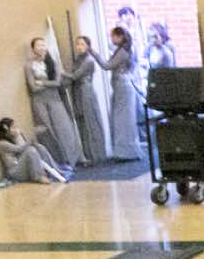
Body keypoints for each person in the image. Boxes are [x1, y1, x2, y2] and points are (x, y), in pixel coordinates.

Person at [24, 37, 82, 169]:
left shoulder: (51, 62)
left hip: (54, 99)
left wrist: (42, 82)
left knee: (63, 127)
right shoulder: (29, 65)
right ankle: (56, 162)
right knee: (47, 131)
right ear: (33, 49)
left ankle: (71, 159)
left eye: (43, 45)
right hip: (39, 101)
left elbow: (57, 83)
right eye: (38, 45)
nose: (42, 48)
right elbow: (33, 87)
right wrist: (45, 85)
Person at [98, 25, 144, 161]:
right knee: (122, 119)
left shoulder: (123, 52)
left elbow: (107, 66)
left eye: (113, 36)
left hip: (123, 86)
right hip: (121, 86)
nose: (111, 39)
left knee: (122, 120)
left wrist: (94, 53)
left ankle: (126, 152)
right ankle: (124, 151)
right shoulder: (122, 50)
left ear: (120, 37)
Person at [63, 35, 110, 163]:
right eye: (78, 44)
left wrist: (61, 73)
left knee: (91, 121)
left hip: (86, 90)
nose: (79, 47)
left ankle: (97, 154)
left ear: (88, 46)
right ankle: (88, 154)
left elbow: (75, 76)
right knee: (82, 122)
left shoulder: (89, 60)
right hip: (78, 91)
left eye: (82, 44)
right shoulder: (78, 59)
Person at [0, 117, 68, 183]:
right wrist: (30, 135)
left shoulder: (12, 139)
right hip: (15, 172)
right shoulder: (2, 144)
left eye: (16, 127)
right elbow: (20, 149)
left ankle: (56, 169)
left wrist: (21, 136)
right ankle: (38, 177)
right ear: (6, 128)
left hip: (22, 167)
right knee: (30, 150)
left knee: (40, 147)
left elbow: (24, 146)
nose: (16, 129)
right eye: (13, 127)